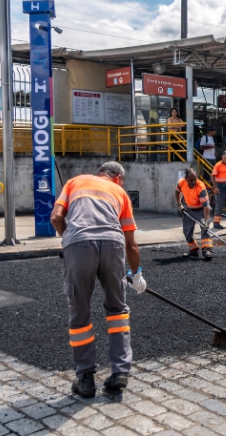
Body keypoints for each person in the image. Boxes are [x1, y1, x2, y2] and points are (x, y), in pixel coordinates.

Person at [49, 162, 145, 398]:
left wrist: (70, 237)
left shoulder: (74, 182)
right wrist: (137, 274)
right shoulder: (121, 193)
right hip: (113, 244)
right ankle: (120, 372)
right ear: (119, 178)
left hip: (78, 245)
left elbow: (55, 217)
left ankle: (86, 378)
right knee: (118, 311)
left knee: (79, 311)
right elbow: (131, 244)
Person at [175, 168, 213, 260]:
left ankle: (207, 250)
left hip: (201, 209)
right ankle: (193, 249)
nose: (193, 182)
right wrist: (179, 204)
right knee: (187, 231)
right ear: (186, 179)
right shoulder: (181, 183)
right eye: (190, 180)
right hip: (189, 209)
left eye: (194, 179)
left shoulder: (200, 188)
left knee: (205, 229)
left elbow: (206, 206)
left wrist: (207, 220)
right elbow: (177, 192)